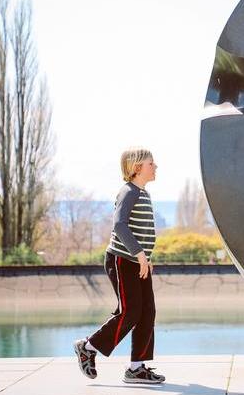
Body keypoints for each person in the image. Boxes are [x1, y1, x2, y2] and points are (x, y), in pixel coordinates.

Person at [73, 147, 165, 385]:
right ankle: (88, 346)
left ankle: (137, 367)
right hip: (122, 261)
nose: (156, 166)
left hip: (137, 262)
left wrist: (146, 257)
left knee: (147, 311)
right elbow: (120, 225)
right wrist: (139, 254)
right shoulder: (128, 192)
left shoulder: (143, 193)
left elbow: (138, 230)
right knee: (130, 311)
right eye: (151, 163)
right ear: (137, 168)